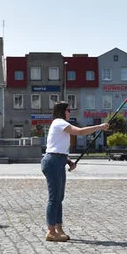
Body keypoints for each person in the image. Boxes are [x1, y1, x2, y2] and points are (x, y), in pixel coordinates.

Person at [42, 102, 108, 241]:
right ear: (62, 111)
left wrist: (68, 161)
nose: (69, 112)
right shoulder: (59, 122)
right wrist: (99, 127)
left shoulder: (61, 125)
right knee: (54, 198)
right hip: (52, 162)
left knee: (59, 198)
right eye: (68, 110)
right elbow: (80, 132)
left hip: (58, 161)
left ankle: (58, 229)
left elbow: (58, 148)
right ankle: (50, 231)